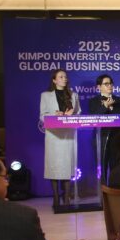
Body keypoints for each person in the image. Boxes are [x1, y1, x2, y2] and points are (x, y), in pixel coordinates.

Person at [38, 69, 80, 207]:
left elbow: (78, 113)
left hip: (68, 134)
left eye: (65, 77)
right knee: (54, 166)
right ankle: (56, 197)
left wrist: (70, 116)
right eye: (61, 77)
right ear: (54, 80)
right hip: (54, 135)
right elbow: (42, 115)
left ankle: (67, 197)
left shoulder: (73, 95)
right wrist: (55, 116)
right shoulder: (45, 95)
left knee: (67, 166)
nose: (64, 79)